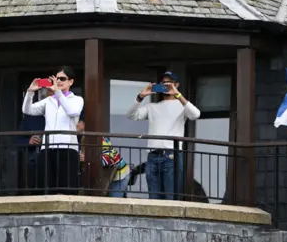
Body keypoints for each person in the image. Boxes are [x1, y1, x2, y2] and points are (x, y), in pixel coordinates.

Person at [127, 70, 200, 200]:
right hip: (153, 155)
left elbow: (195, 114)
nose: (166, 85)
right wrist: (141, 96)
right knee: (154, 197)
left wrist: (178, 95)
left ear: (176, 85)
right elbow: (131, 115)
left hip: (171, 156)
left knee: (170, 197)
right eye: (163, 83)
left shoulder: (182, 105)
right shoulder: (153, 107)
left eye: (169, 83)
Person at [22, 66, 83, 193]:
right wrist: (30, 92)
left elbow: (72, 111)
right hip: (48, 147)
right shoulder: (49, 101)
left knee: (67, 187)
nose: (59, 81)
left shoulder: (77, 99)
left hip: (68, 148)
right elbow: (27, 110)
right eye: (56, 79)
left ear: (70, 82)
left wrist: (58, 93)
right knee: (49, 186)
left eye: (62, 79)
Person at [77, 119, 130, 197]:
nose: (76, 124)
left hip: (120, 175)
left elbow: (108, 158)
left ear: (84, 124)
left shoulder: (99, 139)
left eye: (78, 122)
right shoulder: (86, 138)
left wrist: (87, 158)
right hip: (113, 174)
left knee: (114, 203)